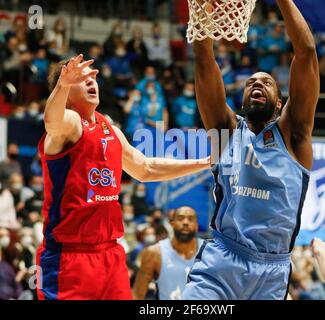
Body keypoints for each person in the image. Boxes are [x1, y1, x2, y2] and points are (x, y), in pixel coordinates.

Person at [36, 54, 210, 300]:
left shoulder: (110, 129)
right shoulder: (69, 124)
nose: (91, 81)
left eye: (92, 77)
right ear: (62, 88)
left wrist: (205, 163)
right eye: (81, 78)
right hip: (69, 258)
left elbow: (146, 169)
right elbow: (52, 122)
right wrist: (63, 84)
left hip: (111, 254)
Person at [183, 0, 319, 300]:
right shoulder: (226, 131)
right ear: (242, 98)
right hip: (221, 263)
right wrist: (204, 12)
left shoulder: (294, 136)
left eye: (267, 83)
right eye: (250, 83)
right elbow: (204, 59)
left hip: (272, 270)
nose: (256, 84)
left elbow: (306, 53)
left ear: (280, 102)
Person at [133, 207, 203, 300]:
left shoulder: (209, 251)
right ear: (171, 223)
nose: (185, 222)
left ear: (196, 225)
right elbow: (137, 295)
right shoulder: (154, 252)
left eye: (190, 219)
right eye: (180, 218)